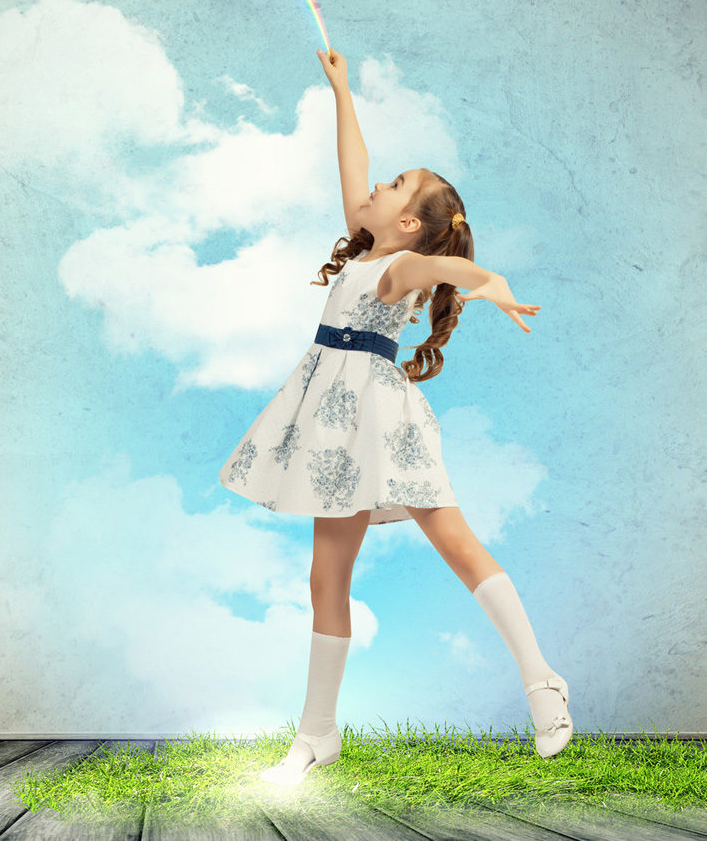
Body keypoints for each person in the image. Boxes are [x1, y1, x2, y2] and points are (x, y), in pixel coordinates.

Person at [217, 46, 573, 785]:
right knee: (326, 577)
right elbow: (354, 163)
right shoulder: (365, 246)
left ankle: (542, 679)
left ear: (408, 221)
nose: (373, 188)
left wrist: (491, 280)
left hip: (380, 419)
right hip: (329, 427)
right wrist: (343, 92)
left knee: (456, 543)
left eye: (393, 186)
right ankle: (317, 733)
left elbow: (447, 270)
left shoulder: (397, 267)